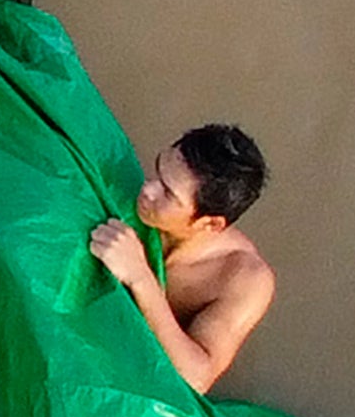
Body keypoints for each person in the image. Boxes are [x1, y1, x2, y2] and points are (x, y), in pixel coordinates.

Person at [90, 124, 277, 391]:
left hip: (140, 387)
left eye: (168, 193)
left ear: (210, 224)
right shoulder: (126, 201)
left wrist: (141, 277)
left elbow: (196, 378)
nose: (147, 189)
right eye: (157, 170)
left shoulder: (243, 278)